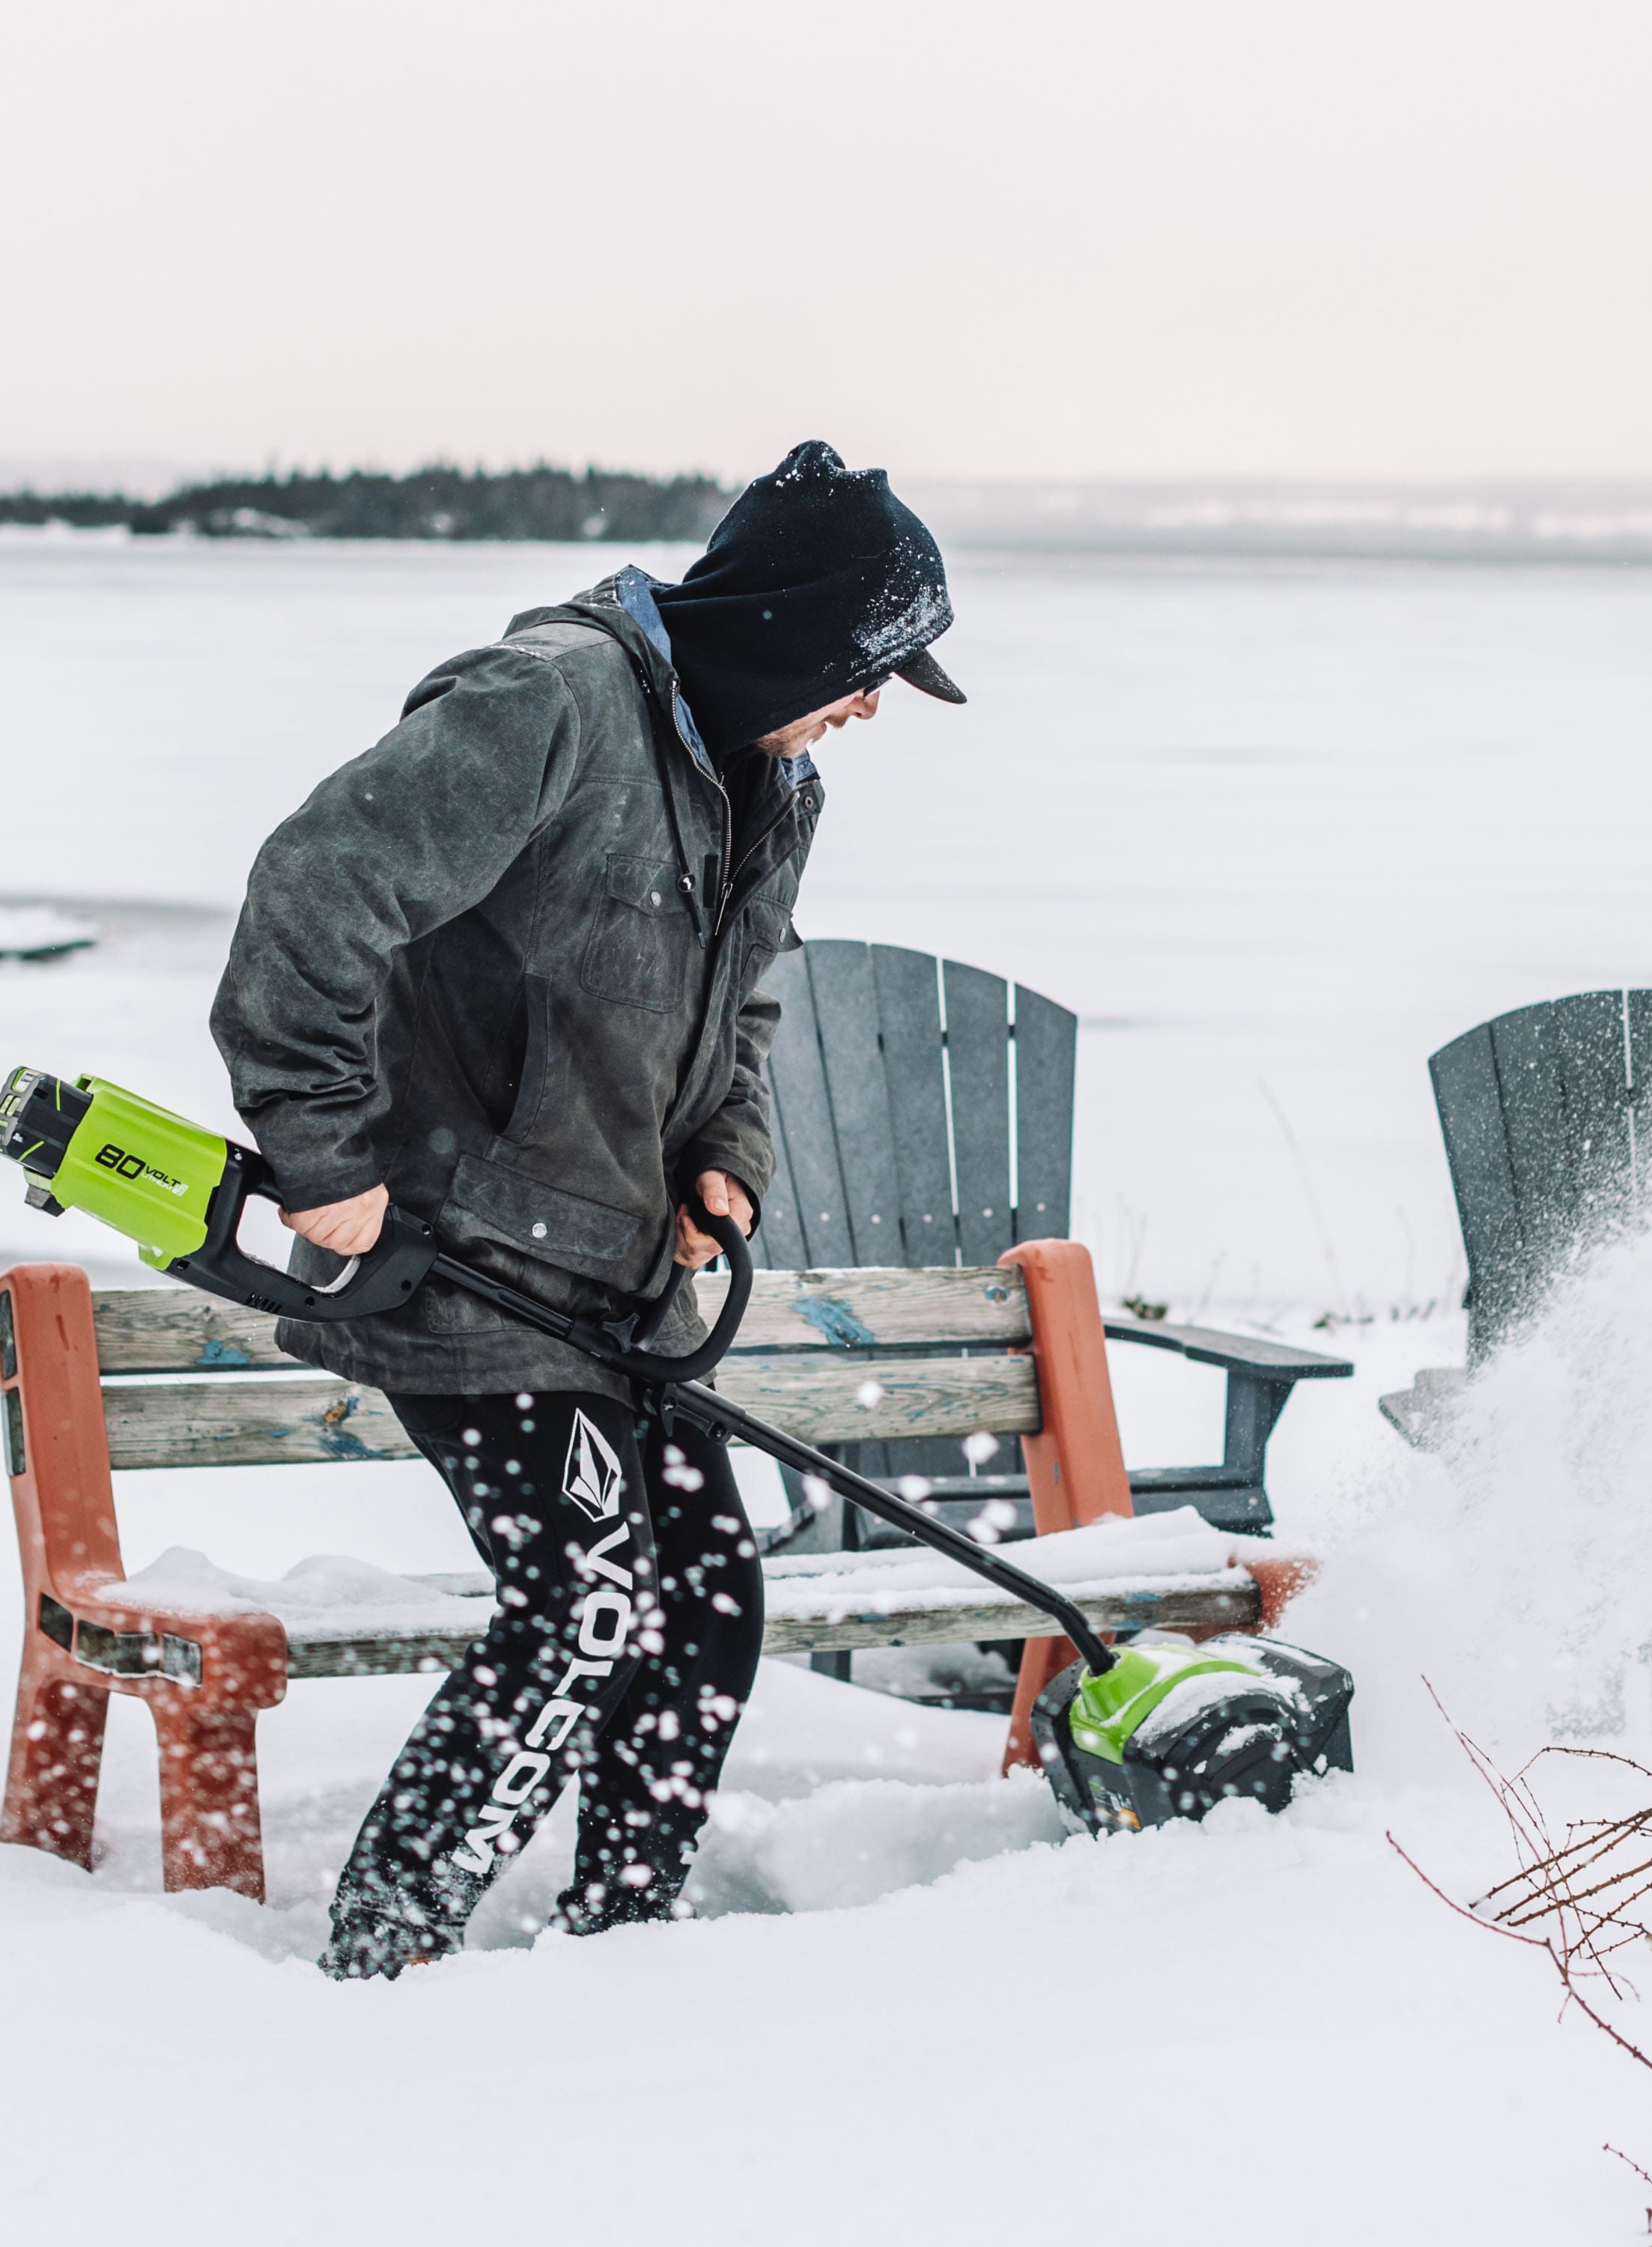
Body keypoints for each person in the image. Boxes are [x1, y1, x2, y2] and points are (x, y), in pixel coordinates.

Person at [208, 441, 964, 1978]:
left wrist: (725, 1150)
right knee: (587, 1607)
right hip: (459, 1266)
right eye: (869, 668)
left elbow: (738, 999)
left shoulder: (772, 775)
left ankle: (627, 1950)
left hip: (614, 1283)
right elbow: (313, 889)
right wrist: (324, 1150)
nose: (876, 705)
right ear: (792, 628)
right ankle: (382, 1958)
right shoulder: (546, 704)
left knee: (705, 1604)